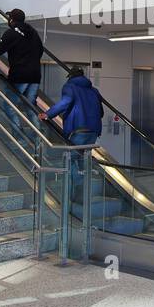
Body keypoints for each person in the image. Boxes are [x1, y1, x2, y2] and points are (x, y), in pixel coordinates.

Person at [40, 67, 104, 207]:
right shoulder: (94, 91)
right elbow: (101, 112)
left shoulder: (70, 87)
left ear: (70, 77)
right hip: (93, 131)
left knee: (69, 161)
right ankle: (83, 197)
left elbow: (65, 102)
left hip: (78, 130)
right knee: (83, 162)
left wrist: (48, 114)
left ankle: (71, 197)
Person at [0, 9, 43, 134]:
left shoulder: (12, 33)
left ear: (11, 19)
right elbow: (40, 50)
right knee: (30, 107)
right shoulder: (33, 33)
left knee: (10, 106)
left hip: (19, 75)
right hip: (35, 75)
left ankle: (19, 138)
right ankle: (38, 141)